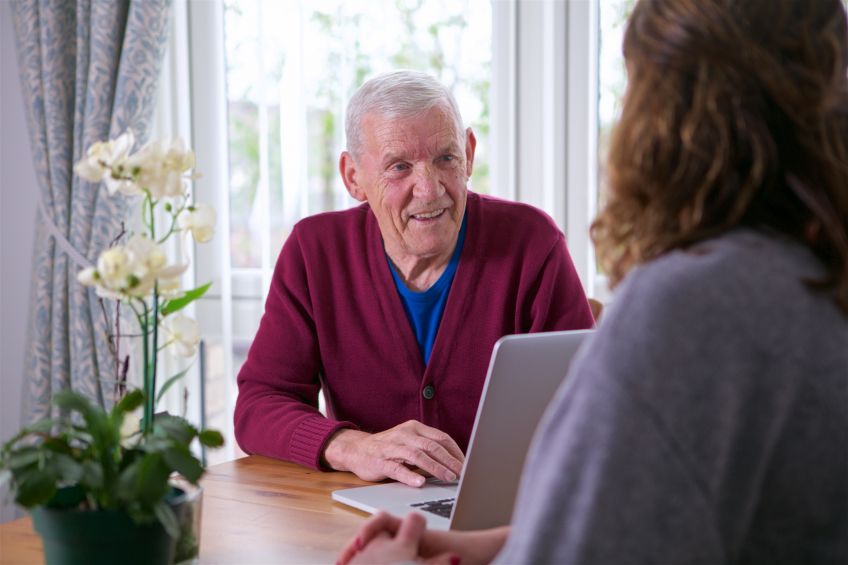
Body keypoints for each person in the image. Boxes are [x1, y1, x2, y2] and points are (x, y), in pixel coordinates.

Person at [337, 0, 848, 563]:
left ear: (664, 119)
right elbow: (652, 526)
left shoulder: (690, 306)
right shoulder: (818, 273)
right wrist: (476, 548)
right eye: (400, 167)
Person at [234, 70, 595, 487]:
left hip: (505, 511)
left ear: (470, 153)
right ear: (354, 177)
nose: (428, 189)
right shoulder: (314, 251)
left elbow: (590, 405)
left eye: (446, 158)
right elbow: (259, 404)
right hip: (364, 513)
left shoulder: (532, 243)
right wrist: (353, 446)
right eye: (399, 167)